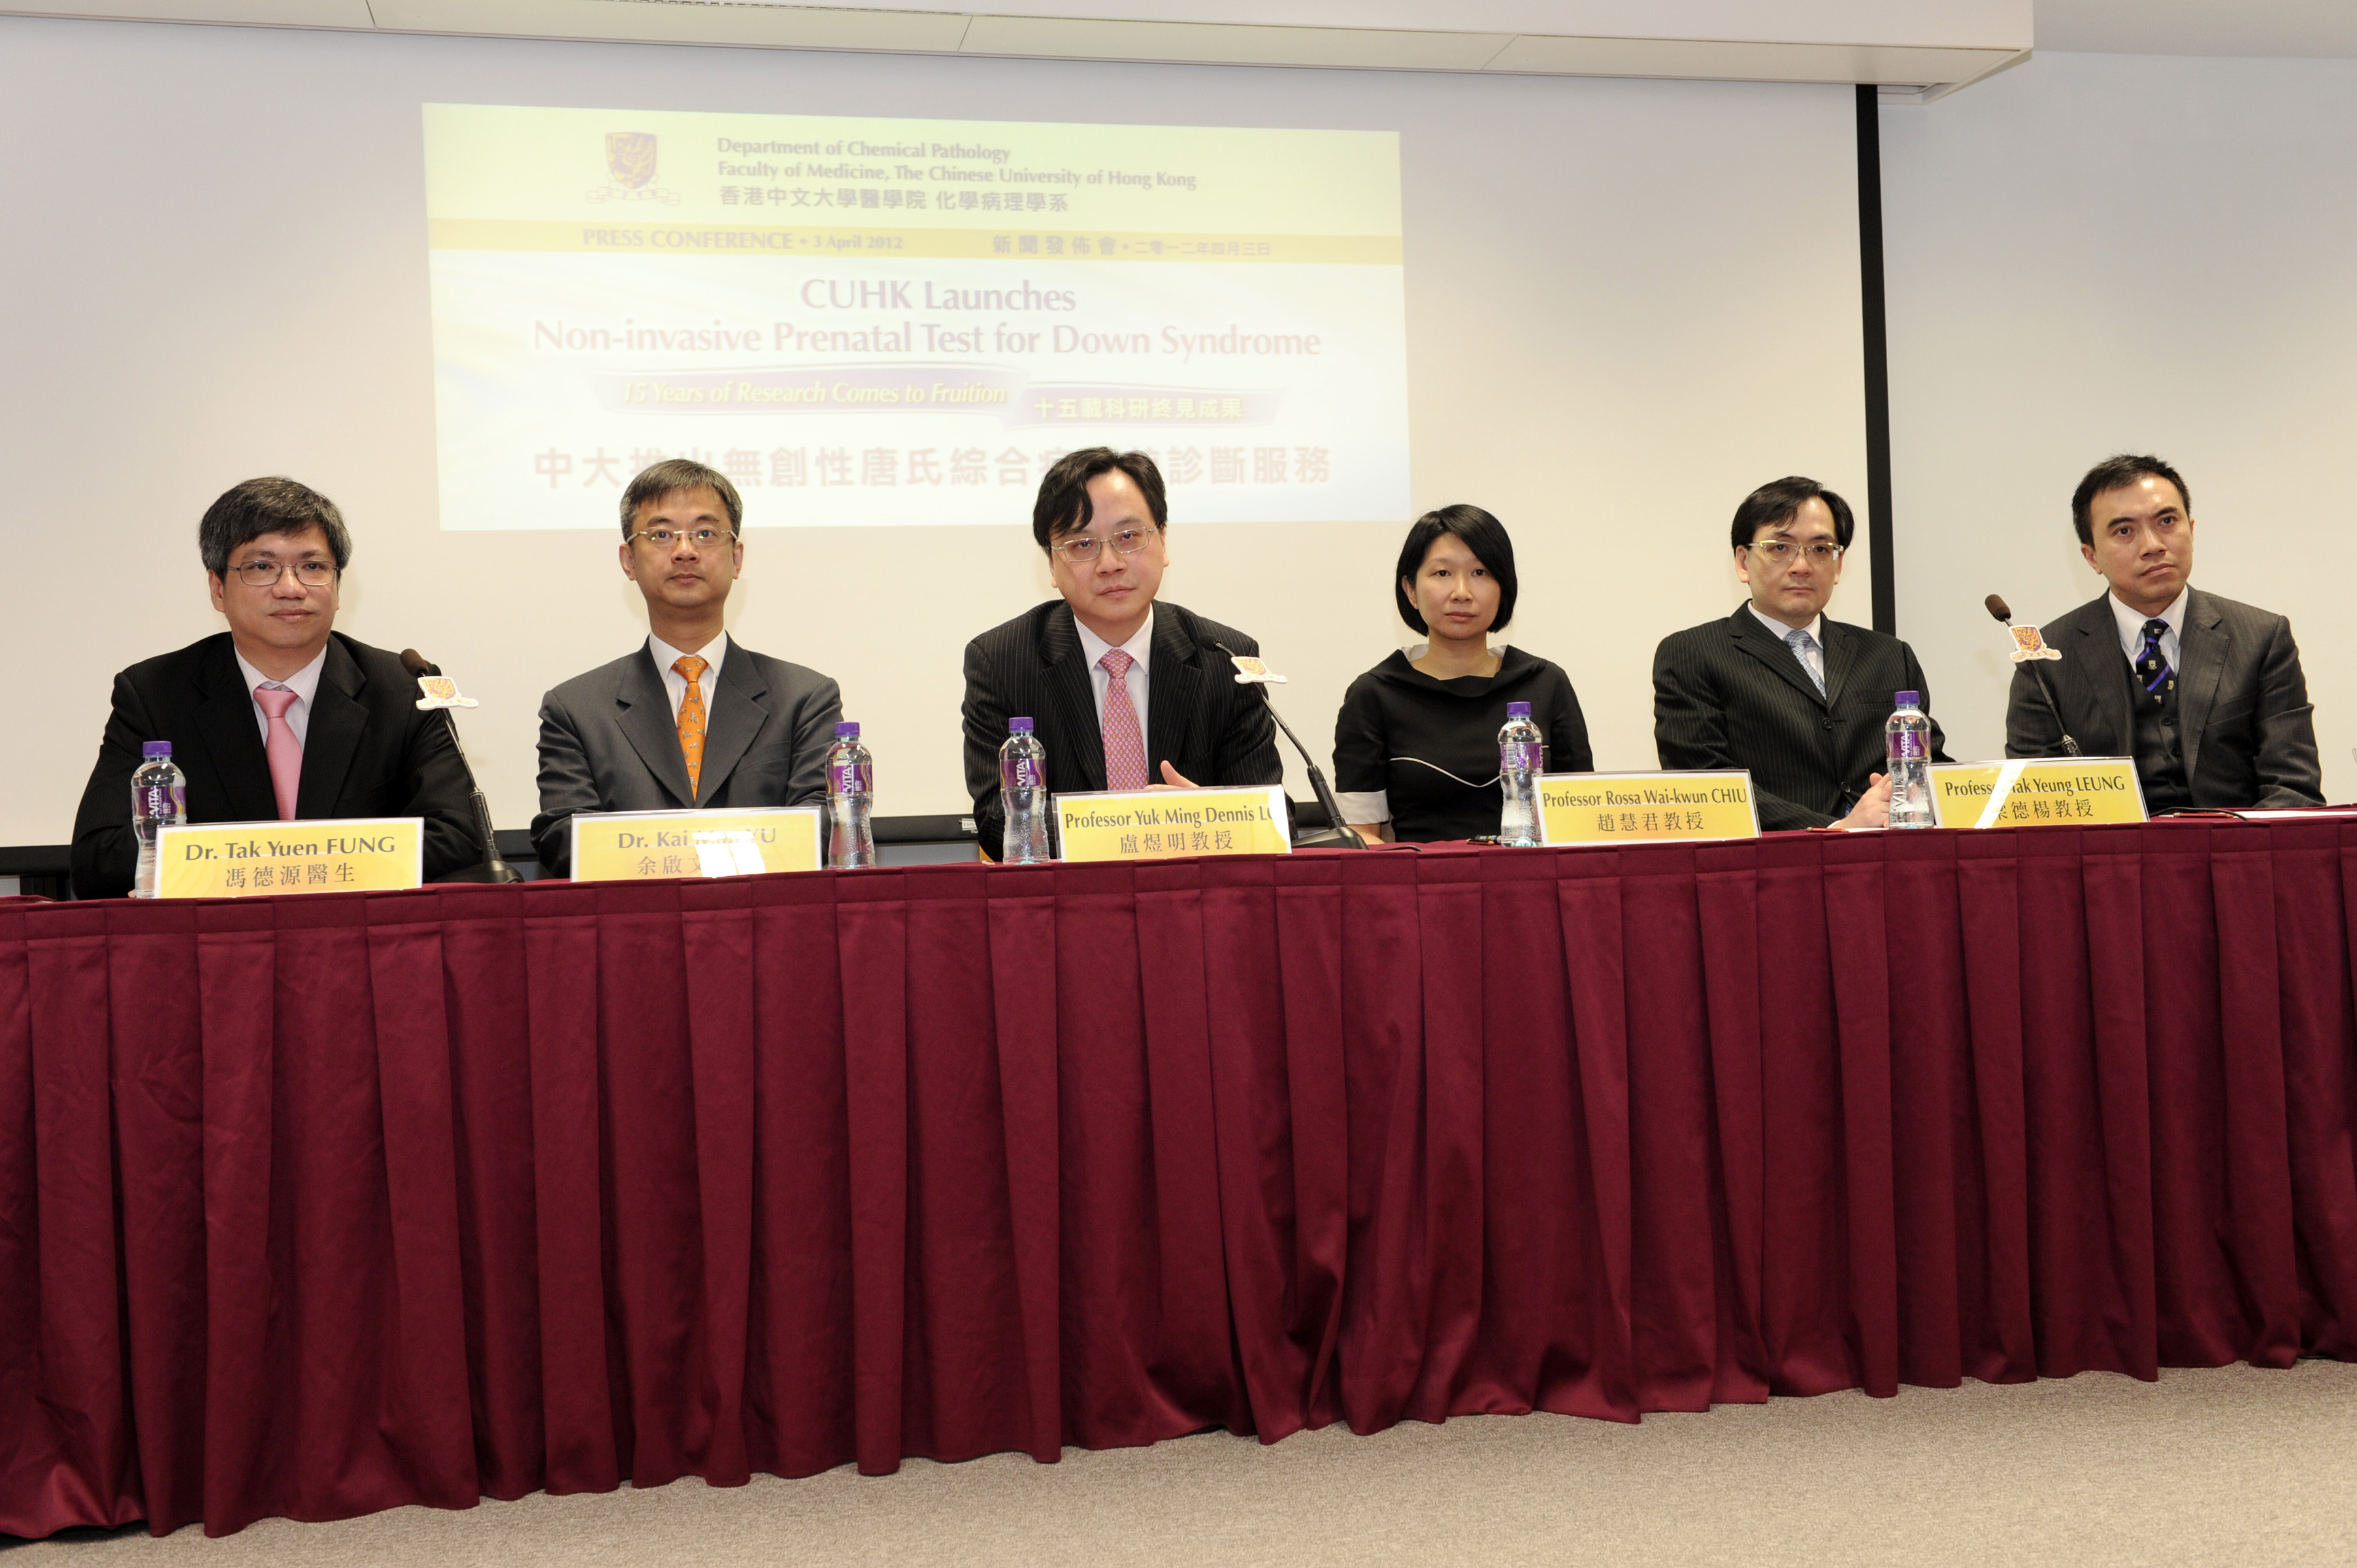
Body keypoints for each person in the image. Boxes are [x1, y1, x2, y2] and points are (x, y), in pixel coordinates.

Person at [69, 476, 478, 897]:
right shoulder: (155, 692)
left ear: (338, 587)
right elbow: (99, 858)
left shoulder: (402, 687)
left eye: (313, 567)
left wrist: (277, 865)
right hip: (221, 943)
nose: (290, 589)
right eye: (262, 567)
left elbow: (462, 839)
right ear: (217, 589)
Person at [961, 447, 1283, 860]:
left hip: (1192, 904)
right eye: (1081, 544)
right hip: (1070, 906)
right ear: (1052, 566)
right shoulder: (1002, 662)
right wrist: (1141, 828)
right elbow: (996, 823)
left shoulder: (1225, 658)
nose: (1109, 563)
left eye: (1129, 538)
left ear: (1162, 541)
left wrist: (1209, 815)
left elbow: (1276, 822)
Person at [531, 459, 844, 874]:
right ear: (628, 560)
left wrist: (682, 853)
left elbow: (824, 827)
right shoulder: (575, 709)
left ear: (736, 559)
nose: (684, 550)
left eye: (705, 533)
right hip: (635, 927)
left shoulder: (805, 697)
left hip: (765, 925)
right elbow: (563, 839)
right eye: (661, 534)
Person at [2005, 454, 2320, 809]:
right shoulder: (2047, 659)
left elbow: (2293, 788)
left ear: (2192, 528)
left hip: (2233, 852)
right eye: (2124, 531)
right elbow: (2035, 805)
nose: (2153, 545)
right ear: (2091, 557)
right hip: (2113, 858)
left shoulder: (2262, 637)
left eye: (2167, 521)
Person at [1653, 476, 1949, 830]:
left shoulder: (1889, 655)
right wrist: (1839, 827)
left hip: (1888, 865)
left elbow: (1930, 765)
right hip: (1773, 869)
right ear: (1744, 562)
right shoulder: (1693, 653)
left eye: (1821, 550)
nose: (1801, 566)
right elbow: (1708, 786)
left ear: (1838, 566)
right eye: (1780, 547)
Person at [1331, 506, 1591, 842]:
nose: (1462, 592)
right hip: (1423, 884)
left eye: (1481, 572)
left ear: (1504, 587)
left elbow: (1582, 814)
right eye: (1442, 574)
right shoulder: (1375, 694)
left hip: (1532, 881)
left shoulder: (1545, 682)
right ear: (1410, 589)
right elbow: (1360, 835)